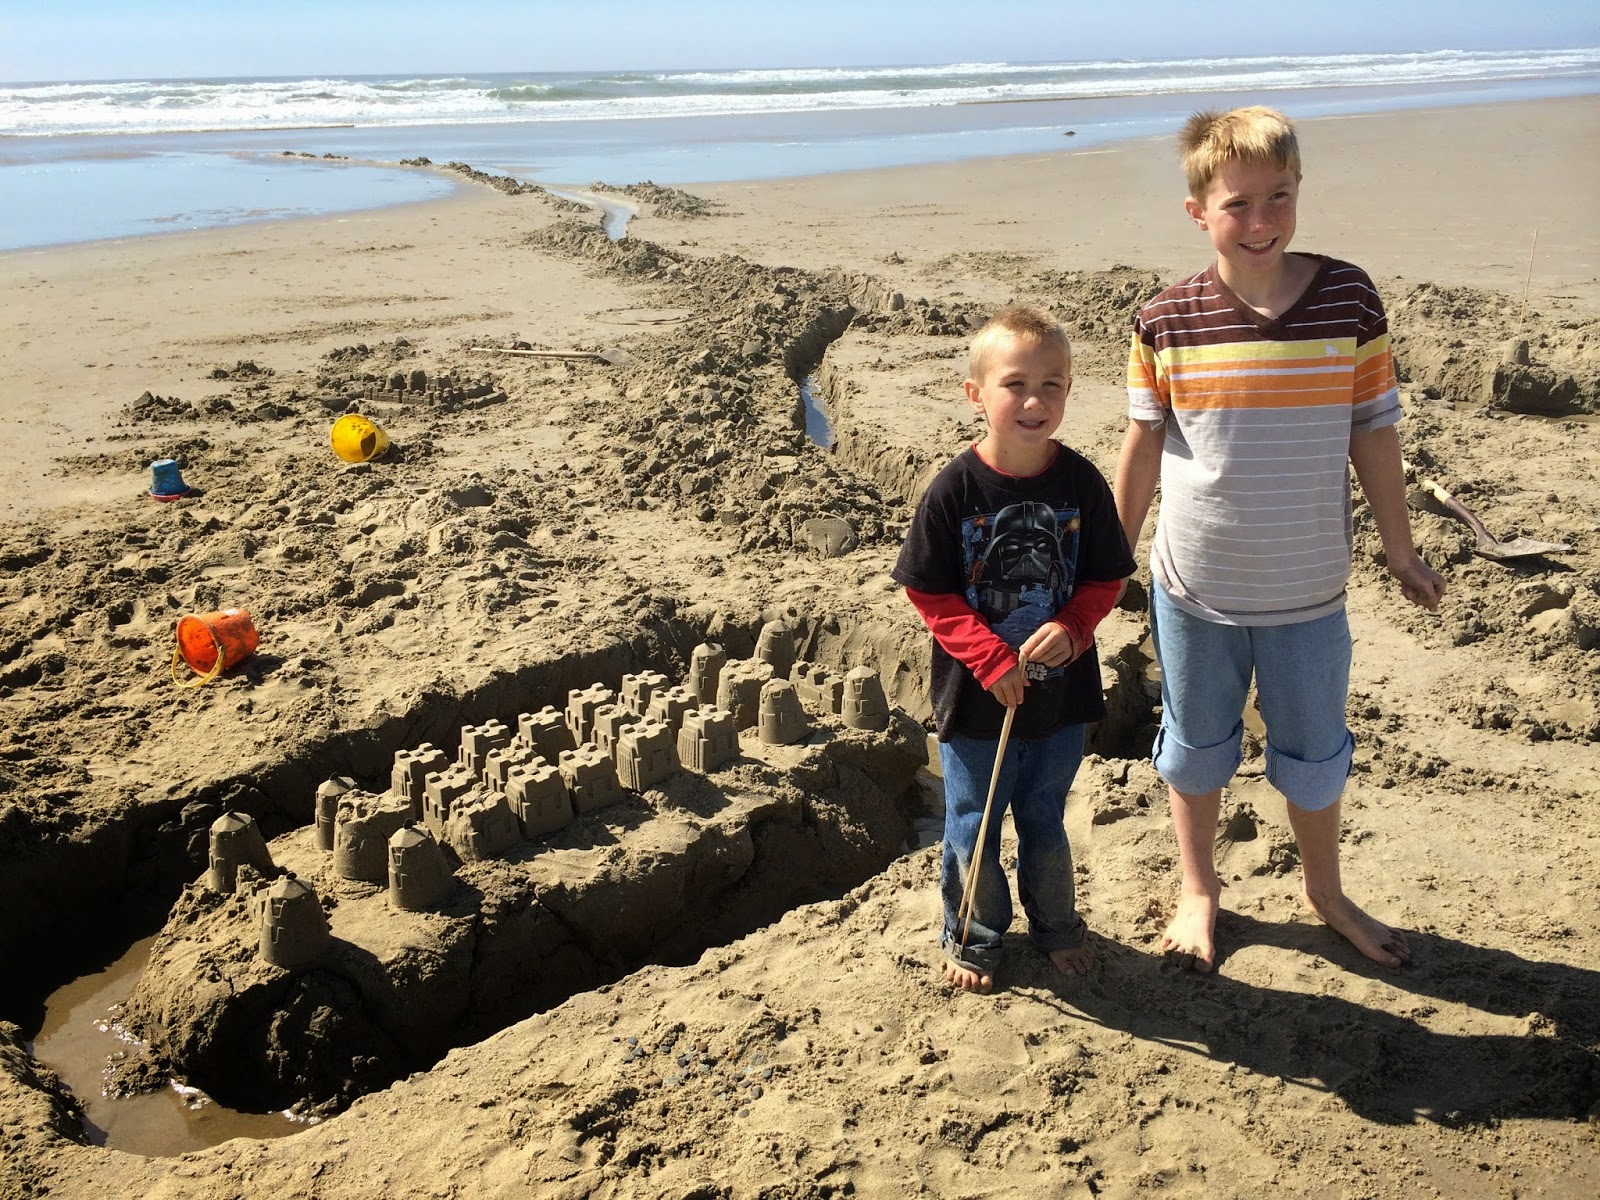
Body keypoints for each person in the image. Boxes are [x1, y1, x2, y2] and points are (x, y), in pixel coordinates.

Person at [1113, 106, 1446, 974]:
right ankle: (1199, 890)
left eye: (1279, 197)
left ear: (1300, 191)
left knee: (1315, 753)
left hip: (1309, 591)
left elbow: (1373, 429)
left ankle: (1325, 892)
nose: (1260, 221)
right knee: (1195, 749)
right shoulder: (1164, 319)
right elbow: (1144, 442)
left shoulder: (1348, 298)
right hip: (1194, 588)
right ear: (1198, 212)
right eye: (1238, 204)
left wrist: (1401, 549)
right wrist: (1109, 558)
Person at [894, 305, 1136, 993]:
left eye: (1051, 384)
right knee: (972, 825)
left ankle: (1056, 926)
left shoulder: (1083, 484)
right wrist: (990, 657)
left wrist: (1076, 628)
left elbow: (1106, 578)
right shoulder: (954, 489)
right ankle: (973, 936)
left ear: (1069, 389)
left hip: (1060, 705)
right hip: (976, 707)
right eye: (1015, 384)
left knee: (1044, 820)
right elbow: (929, 592)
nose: (1035, 401)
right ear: (976, 394)